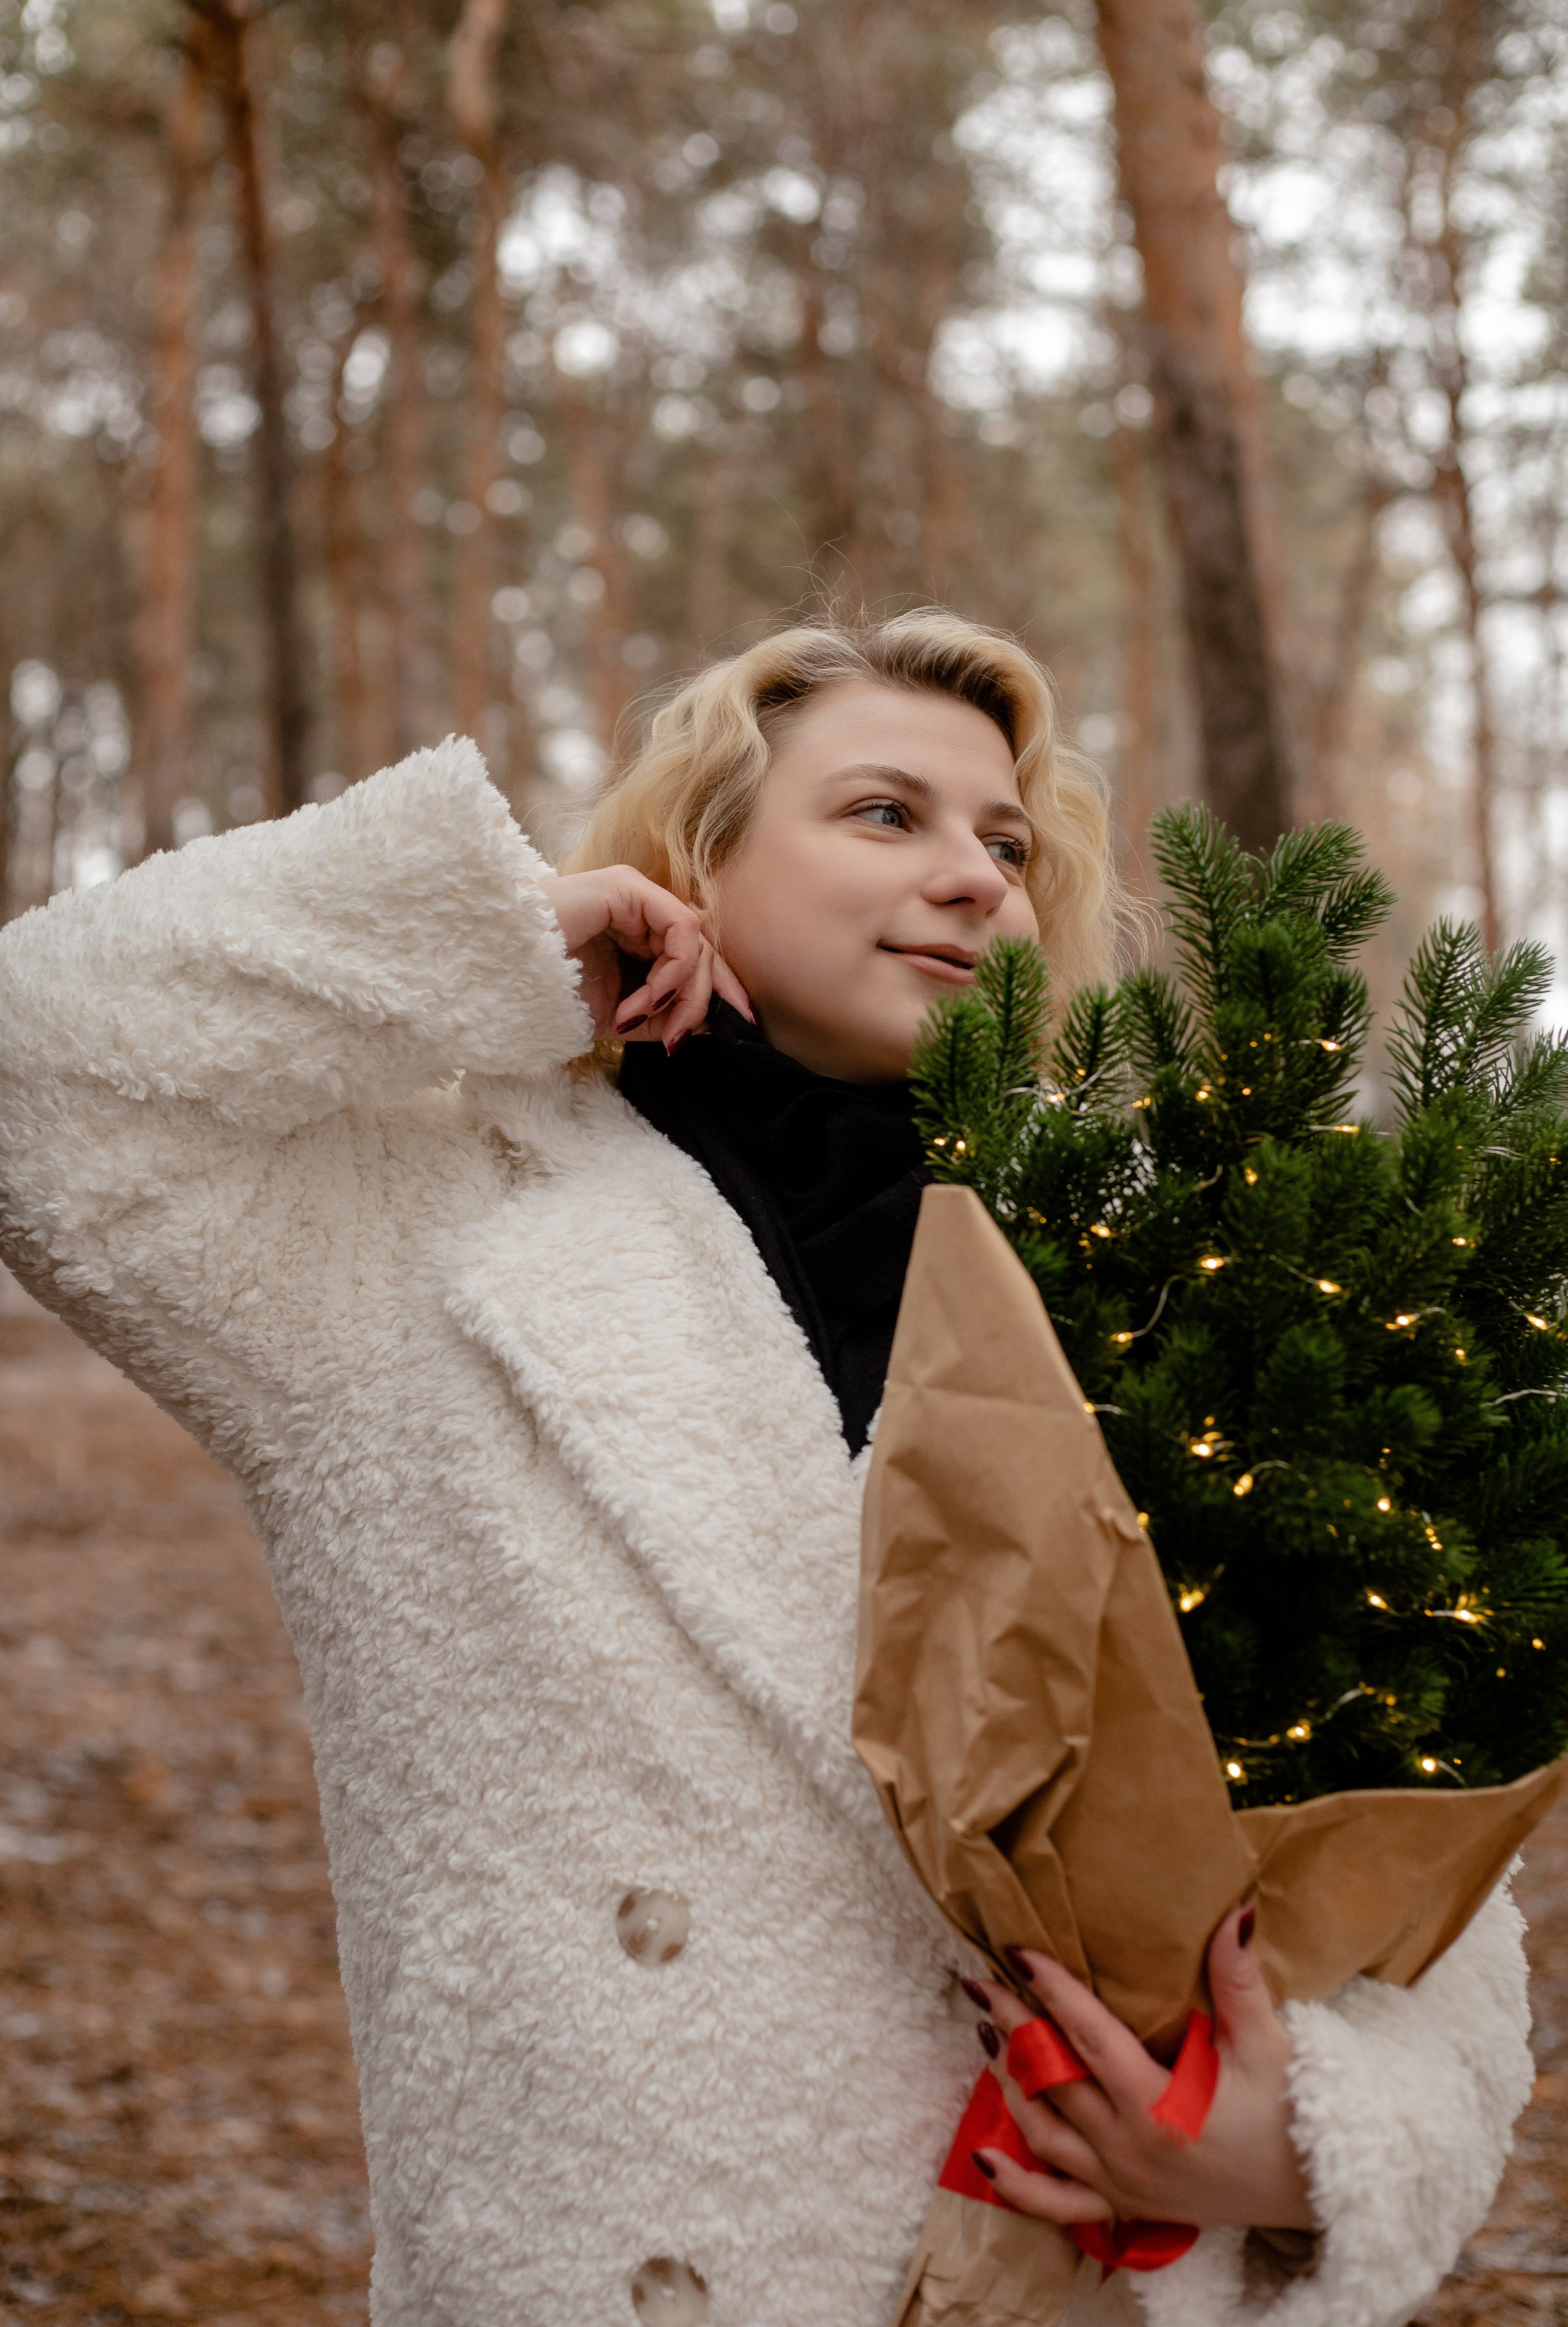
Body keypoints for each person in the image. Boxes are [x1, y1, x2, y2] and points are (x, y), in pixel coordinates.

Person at [0, 609, 1532, 2327]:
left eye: (1008, 843)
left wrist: (1310, 2151)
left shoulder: (1186, 1290)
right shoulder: (415, 1248)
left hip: (1091, 2272)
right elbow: (37, 1080)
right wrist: (485, 947)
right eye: (887, 815)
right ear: (694, 860)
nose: (974, 877)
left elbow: (1424, 1850)